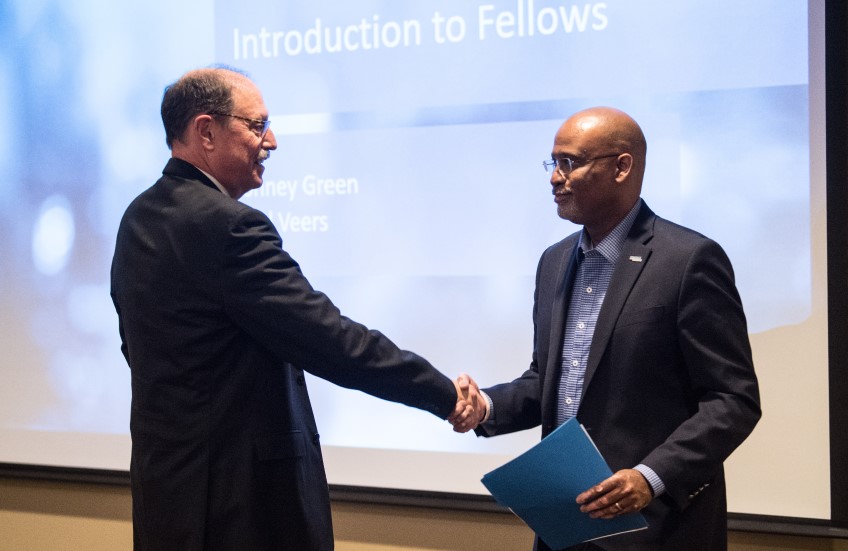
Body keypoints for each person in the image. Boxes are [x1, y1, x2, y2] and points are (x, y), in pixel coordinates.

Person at [110, 66, 475, 551]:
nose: (272, 141)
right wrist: (442, 394)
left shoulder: (139, 215)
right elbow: (328, 339)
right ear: (206, 131)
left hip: (168, 498)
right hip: (238, 510)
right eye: (257, 126)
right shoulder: (229, 226)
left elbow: (135, 348)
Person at [457, 107, 761, 550]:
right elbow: (550, 380)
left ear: (622, 167)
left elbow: (732, 400)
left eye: (570, 162)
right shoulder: (554, 260)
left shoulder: (688, 260)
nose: (554, 178)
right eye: (553, 163)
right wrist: (484, 406)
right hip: (566, 526)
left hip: (655, 530)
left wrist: (650, 477)